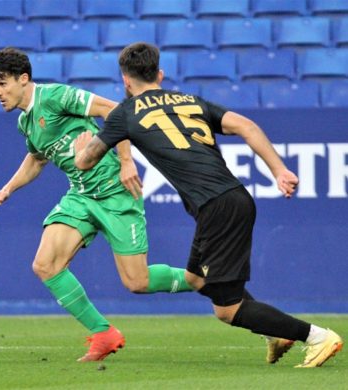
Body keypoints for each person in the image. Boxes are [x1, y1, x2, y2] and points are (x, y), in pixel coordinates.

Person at [74, 42, 343, 368]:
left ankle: (316, 336)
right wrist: (279, 170)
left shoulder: (124, 114)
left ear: (125, 81)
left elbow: (86, 162)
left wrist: (81, 148)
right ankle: (275, 333)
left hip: (218, 208)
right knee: (195, 279)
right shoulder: (190, 101)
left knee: (227, 310)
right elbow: (247, 126)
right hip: (231, 200)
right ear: (159, 74)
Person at [0, 47, 193, 362]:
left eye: (3, 84)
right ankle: (103, 333)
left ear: (23, 79)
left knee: (138, 282)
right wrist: (7, 188)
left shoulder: (54, 96)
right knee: (45, 264)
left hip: (114, 192)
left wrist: (125, 161)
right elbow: (37, 158)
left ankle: (205, 278)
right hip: (80, 196)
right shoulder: (26, 123)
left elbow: (113, 110)